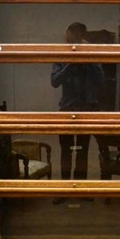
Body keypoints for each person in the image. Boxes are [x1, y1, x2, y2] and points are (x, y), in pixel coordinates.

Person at [51, 23, 104, 187]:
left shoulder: (90, 53)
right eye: (71, 35)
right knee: (65, 150)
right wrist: (71, 62)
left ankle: (80, 187)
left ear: (82, 37)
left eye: (76, 36)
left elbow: (101, 79)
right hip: (67, 107)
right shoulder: (61, 54)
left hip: (86, 107)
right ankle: (65, 188)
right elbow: (54, 81)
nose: (71, 39)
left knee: (83, 150)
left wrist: (89, 59)